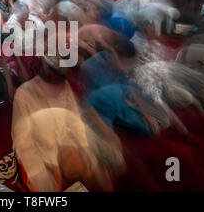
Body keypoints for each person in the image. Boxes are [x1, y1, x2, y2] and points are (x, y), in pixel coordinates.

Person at [12, 55, 125, 192]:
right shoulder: (24, 93)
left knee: (110, 163)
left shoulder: (64, 86)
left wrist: (85, 151)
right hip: (46, 148)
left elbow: (75, 120)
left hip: (69, 141)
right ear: (44, 68)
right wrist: (40, 174)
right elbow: (23, 142)